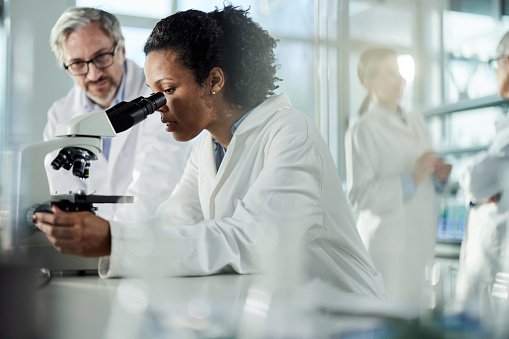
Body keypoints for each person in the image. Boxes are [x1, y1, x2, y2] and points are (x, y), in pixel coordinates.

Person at [33, 5, 385, 297]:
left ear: (215, 81)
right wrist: (106, 242)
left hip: (348, 315)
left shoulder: (292, 133)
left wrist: (114, 239)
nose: (158, 106)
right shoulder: (208, 148)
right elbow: (172, 221)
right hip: (285, 315)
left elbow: (249, 240)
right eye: (153, 92)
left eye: (167, 90)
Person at [43, 7, 192, 220]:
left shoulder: (157, 95)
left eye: (101, 57)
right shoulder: (60, 115)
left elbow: (156, 179)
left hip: (151, 234)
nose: (94, 74)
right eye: (78, 64)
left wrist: (114, 237)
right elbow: (65, 189)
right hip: (92, 243)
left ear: (121, 49)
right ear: (67, 67)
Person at [345, 47, 452, 301]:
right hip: (388, 251)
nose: (400, 79)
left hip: (421, 244)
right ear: (368, 82)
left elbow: (424, 175)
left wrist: (439, 176)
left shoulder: (416, 120)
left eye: (400, 72)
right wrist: (410, 180)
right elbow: (359, 195)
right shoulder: (362, 130)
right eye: (390, 74)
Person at [455, 30, 509, 315]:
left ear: (507, 62)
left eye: (497, 63)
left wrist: (468, 177)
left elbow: (476, 181)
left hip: (498, 271)